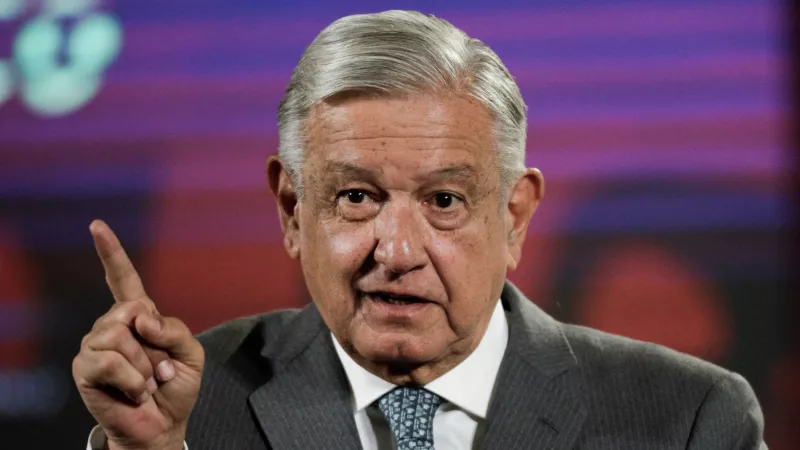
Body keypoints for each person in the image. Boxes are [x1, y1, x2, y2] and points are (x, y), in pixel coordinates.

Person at [73, 10, 767, 450]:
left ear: (514, 214)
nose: (397, 252)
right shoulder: (184, 409)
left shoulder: (690, 420)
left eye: (442, 200)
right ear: (291, 209)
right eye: (355, 196)